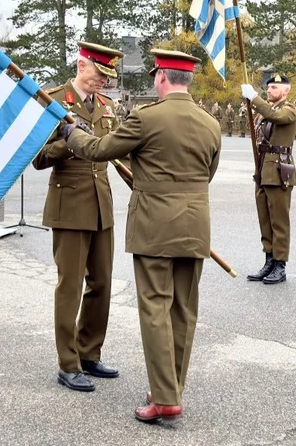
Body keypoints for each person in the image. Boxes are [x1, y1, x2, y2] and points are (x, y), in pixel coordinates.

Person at [64, 49, 221, 424]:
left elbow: (99, 150)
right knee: (184, 311)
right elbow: (207, 173)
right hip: (195, 224)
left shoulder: (146, 118)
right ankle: (171, 389)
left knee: (155, 308)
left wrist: (70, 130)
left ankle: (164, 398)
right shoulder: (209, 122)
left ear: (161, 78)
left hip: (154, 225)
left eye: (155, 75)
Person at [33, 41, 124, 394]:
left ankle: (89, 353)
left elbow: (115, 150)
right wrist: (71, 141)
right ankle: (67, 363)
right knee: (69, 286)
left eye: (107, 75)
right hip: (69, 206)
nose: (103, 80)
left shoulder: (107, 106)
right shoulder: (54, 101)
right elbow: (38, 158)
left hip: (102, 204)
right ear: (81, 64)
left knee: (101, 283)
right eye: (99, 72)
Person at [241, 73, 296, 285]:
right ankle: (269, 260)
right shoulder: (267, 111)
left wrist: (254, 98)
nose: (270, 91)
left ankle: (280, 265)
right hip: (264, 170)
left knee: (279, 221)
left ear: (286, 91)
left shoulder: (289, 110)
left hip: (279, 171)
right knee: (265, 218)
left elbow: (277, 118)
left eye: (275, 88)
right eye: (268, 88)